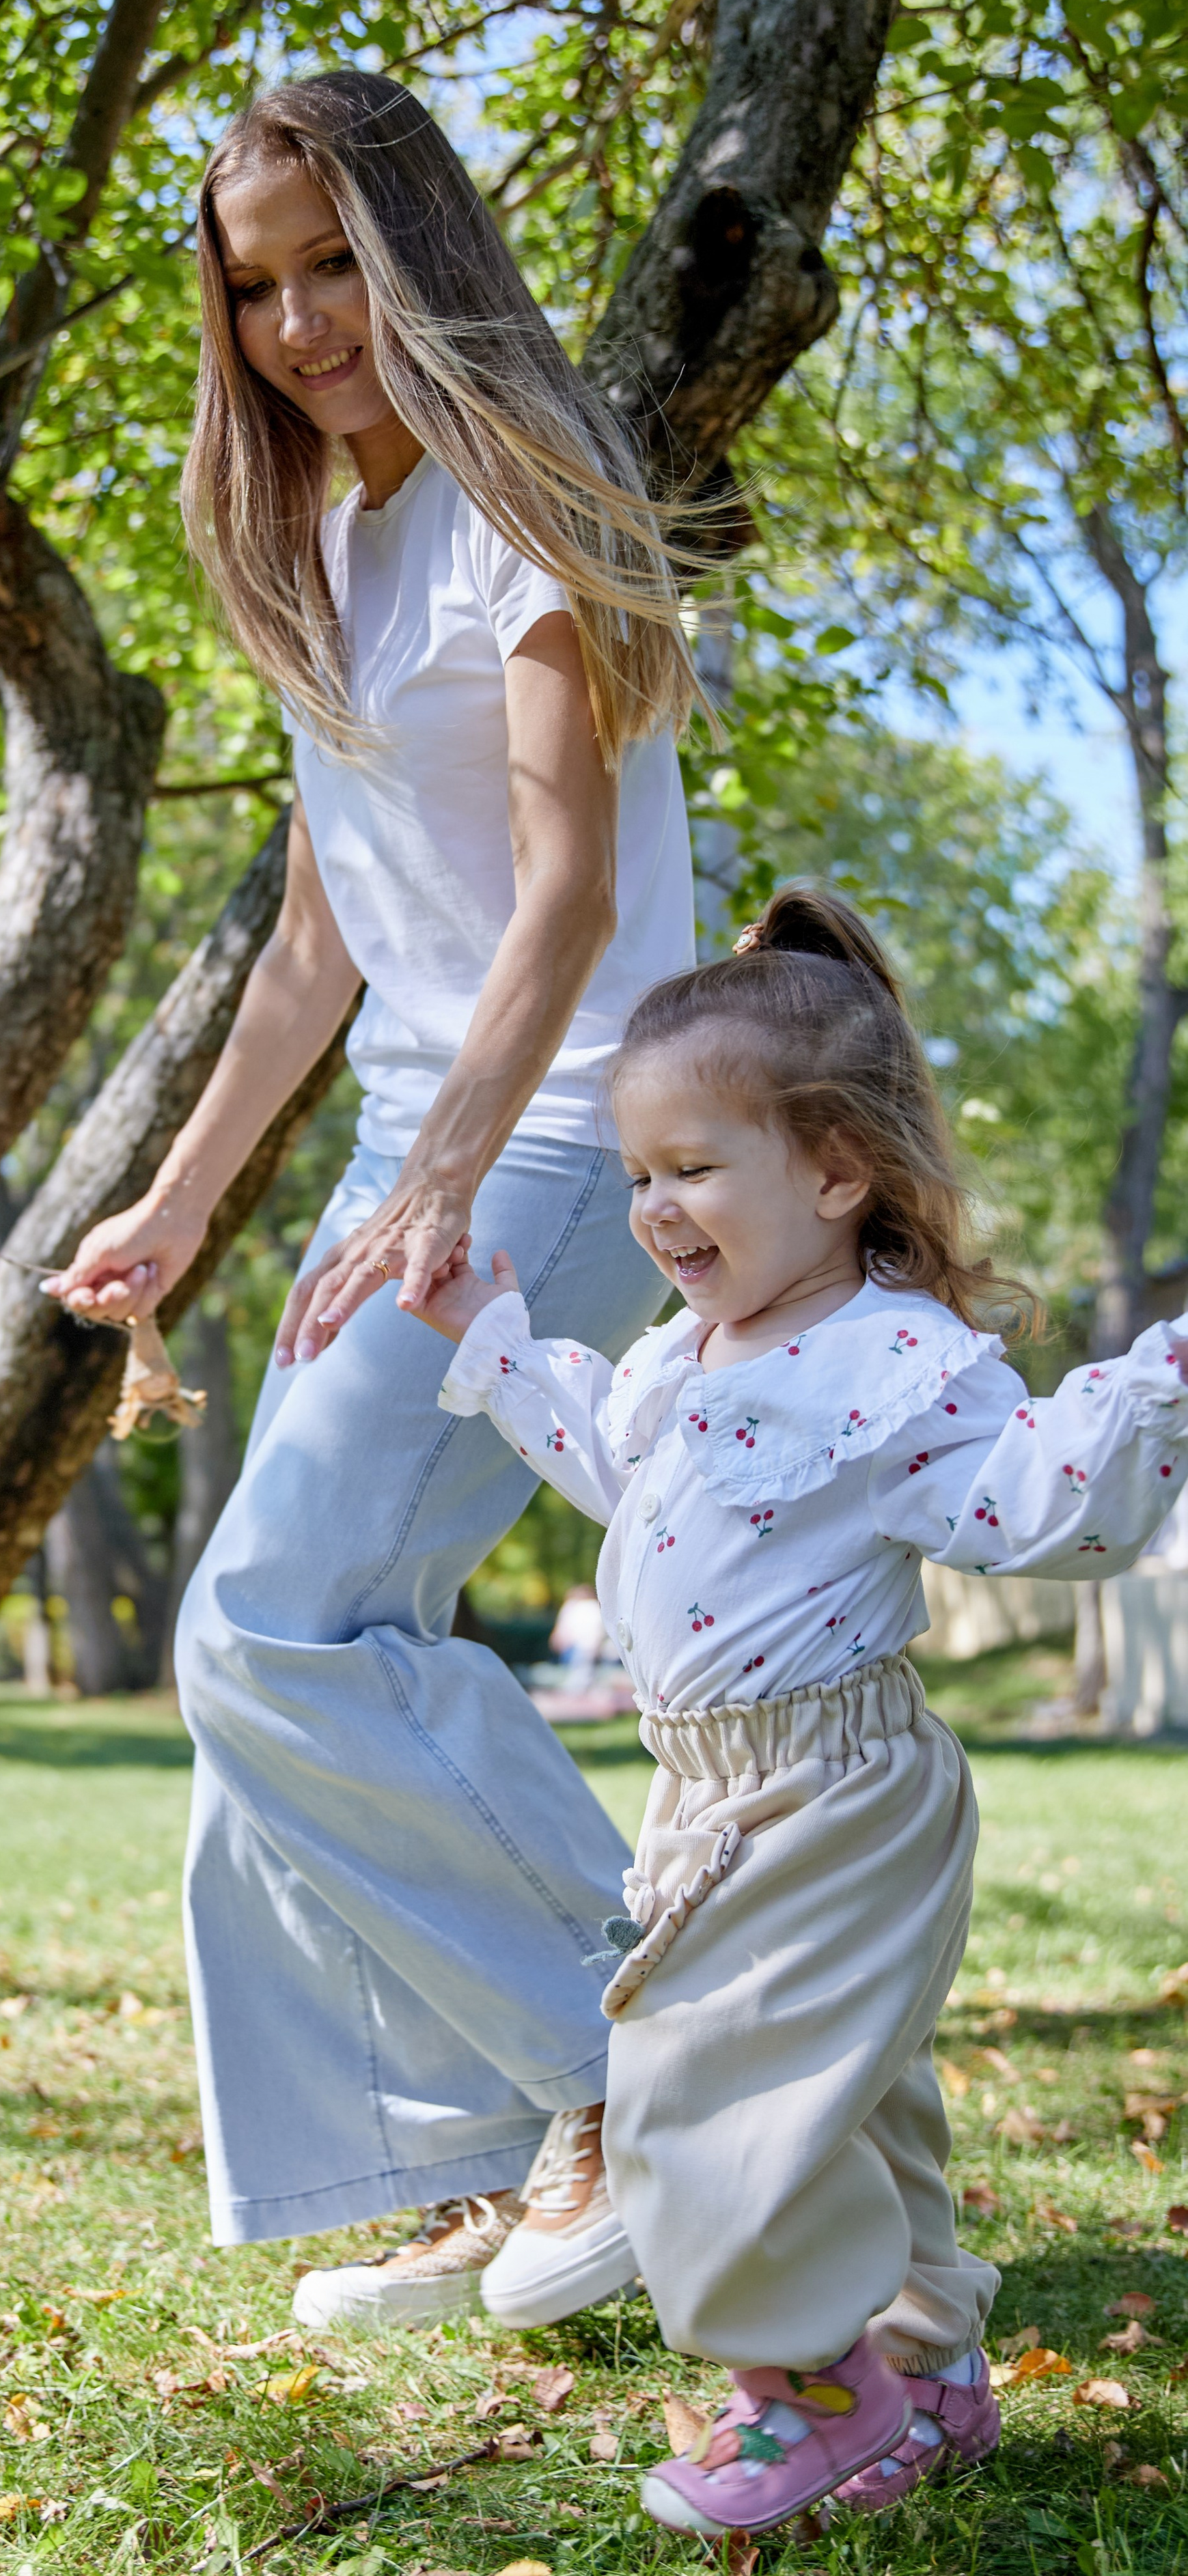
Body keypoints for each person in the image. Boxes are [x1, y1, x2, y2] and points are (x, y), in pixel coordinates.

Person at [44, 68, 702, 2329]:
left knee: (271, 1630)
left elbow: (561, 893)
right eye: (259, 286)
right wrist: (184, 1203)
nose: (306, 319)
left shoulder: (533, 493)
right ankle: (468, 2150)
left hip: (589, 1124)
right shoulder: (311, 540)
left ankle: (648, 2076)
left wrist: (431, 1181)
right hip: (422, 1138)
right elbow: (326, 937)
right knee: (292, 1634)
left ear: (419, 245)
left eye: (339, 262)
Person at [413, 884, 1188, 2532]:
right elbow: (617, 1478)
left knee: (705, 2087)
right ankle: (928, 2367)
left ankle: (808, 2394)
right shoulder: (688, 1356)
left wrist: (1149, 1386)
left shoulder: (888, 1362)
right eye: (639, 1172)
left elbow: (1035, 1512)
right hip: (709, 1786)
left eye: (692, 1168)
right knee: (852, 2090)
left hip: (837, 1786)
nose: (652, 1208)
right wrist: (495, 1337)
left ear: (835, 1173)